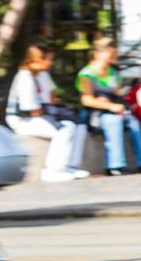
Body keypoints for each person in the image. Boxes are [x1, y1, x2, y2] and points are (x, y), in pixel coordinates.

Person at [78, 39, 141, 175]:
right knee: (113, 121)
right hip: (95, 113)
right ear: (97, 54)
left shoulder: (112, 73)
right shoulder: (86, 74)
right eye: (109, 56)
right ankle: (115, 165)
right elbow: (86, 100)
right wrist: (110, 106)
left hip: (115, 108)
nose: (112, 59)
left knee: (134, 123)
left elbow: (117, 94)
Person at [6, 45, 89, 181]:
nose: (51, 63)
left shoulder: (42, 74)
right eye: (48, 60)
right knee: (63, 128)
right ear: (36, 60)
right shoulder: (25, 77)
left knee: (79, 125)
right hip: (22, 120)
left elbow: (52, 94)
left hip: (41, 114)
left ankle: (71, 166)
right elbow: (32, 110)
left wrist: (53, 109)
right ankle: (53, 170)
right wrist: (52, 113)